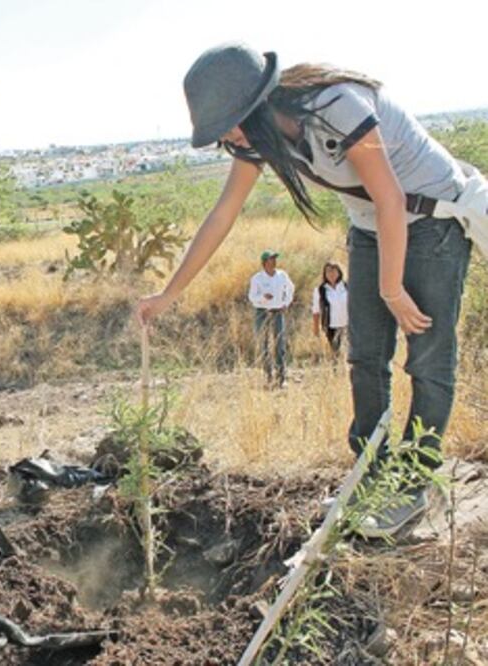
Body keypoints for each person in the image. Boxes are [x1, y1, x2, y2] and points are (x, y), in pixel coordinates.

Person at [136, 43, 472, 537]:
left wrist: (392, 289)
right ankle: (370, 475)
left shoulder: (336, 107)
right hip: (372, 226)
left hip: (430, 220)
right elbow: (222, 215)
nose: (228, 136)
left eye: (230, 121)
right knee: (364, 357)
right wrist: (167, 295)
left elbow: (391, 195)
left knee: (428, 356)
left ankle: (413, 484)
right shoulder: (255, 140)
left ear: (258, 104)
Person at [248, 249, 295, 387]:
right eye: (270, 259)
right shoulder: (257, 278)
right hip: (262, 312)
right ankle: (268, 376)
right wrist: (263, 297)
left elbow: (291, 288)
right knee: (263, 345)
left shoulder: (282, 275)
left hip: (278, 312)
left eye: (274, 259)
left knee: (280, 344)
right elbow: (252, 297)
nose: (274, 262)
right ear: (264, 263)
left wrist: (286, 303)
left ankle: (281, 377)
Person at [312, 261, 348, 359]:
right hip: (331, 327)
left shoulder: (347, 286)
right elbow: (316, 311)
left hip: (348, 325)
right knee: (337, 353)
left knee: (350, 354)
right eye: (328, 271)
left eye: (334, 271)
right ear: (325, 274)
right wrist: (316, 329)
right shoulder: (320, 290)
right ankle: (338, 372)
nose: (331, 274)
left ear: (339, 272)